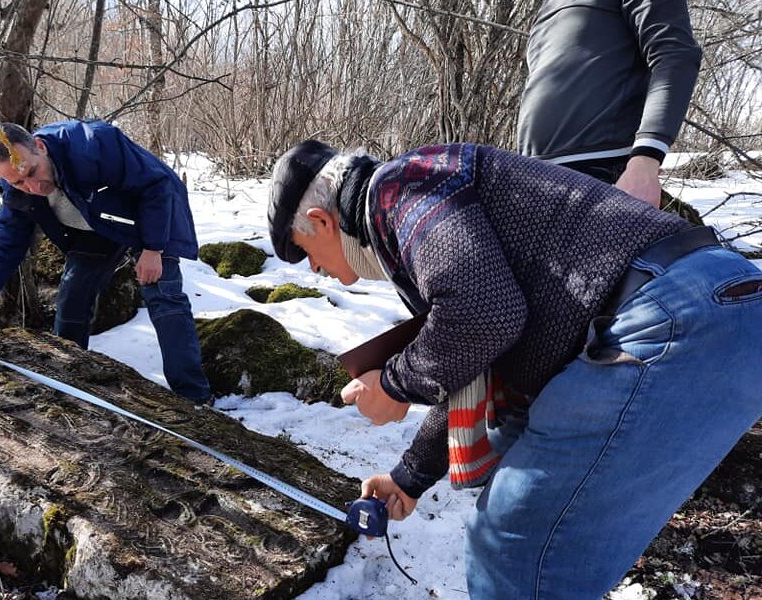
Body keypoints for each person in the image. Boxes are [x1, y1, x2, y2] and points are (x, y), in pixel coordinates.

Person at [268, 139, 762, 597]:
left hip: (668, 318)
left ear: (323, 220)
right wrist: (408, 478)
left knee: (512, 545)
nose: (313, 270)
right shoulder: (422, 194)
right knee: (534, 527)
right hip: (722, 305)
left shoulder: (404, 188)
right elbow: (477, 352)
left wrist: (394, 384)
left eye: (306, 253)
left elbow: (485, 315)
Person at [0, 120, 211, 405]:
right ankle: (69, 386)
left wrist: (153, 249)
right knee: (71, 301)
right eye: (17, 182)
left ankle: (194, 398)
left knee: (164, 297)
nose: (32, 186)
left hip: (150, 219)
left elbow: (155, 185)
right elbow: (5, 244)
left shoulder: (94, 145)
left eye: (32, 172)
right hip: (92, 231)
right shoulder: (18, 190)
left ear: (40, 147)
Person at [517, 0, 702, 207]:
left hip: (598, 170)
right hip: (533, 172)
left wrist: (646, 159)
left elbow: (675, 55)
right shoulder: (548, 6)